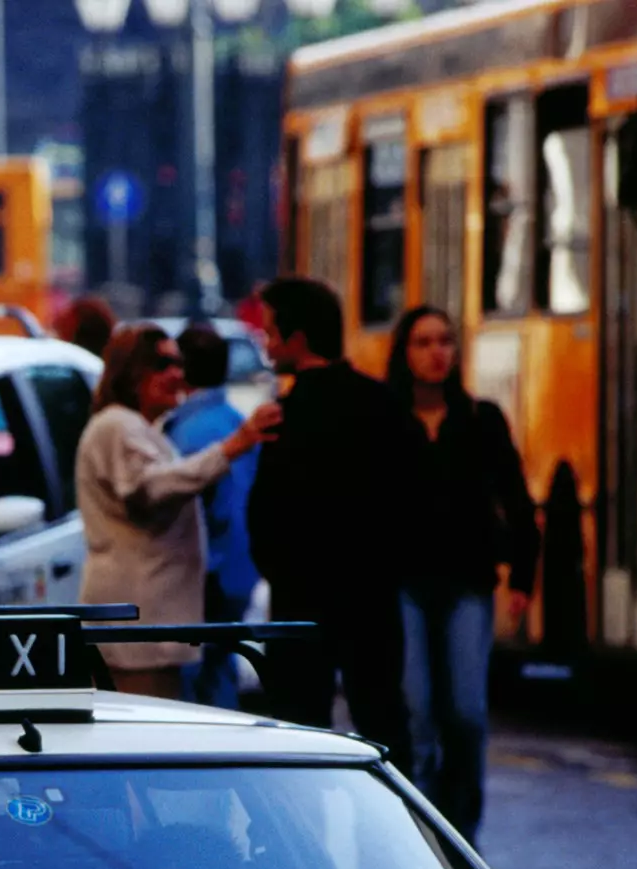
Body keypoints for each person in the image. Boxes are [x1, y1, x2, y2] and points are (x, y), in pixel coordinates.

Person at [247, 276, 415, 766]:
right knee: (384, 726)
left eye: (272, 333)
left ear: (298, 341)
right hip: (372, 599)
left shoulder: (285, 415)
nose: (267, 344)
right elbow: (406, 499)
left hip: (301, 603)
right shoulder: (382, 404)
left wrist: (280, 571)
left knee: (298, 737)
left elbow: (266, 512)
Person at [387, 304, 538, 842]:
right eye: (424, 342)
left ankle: (465, 839)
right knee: (419, 715)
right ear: (405, 353)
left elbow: (516, 501)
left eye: (445, 341)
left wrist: (522, 575)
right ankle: (423, 842)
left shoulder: (481, 419)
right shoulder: (386, 419)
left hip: (467, 585)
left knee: (468, 715)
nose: (437, 353)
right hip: (401, 585)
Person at [76, 324, 275, 699]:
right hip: (138, 633)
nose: (177, 375)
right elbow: (148, 488)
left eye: (179, 364)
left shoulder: (140, 427)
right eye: (162, 363)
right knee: (143, 747)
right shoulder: (118, 425)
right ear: (131, 370)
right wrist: (233, 446)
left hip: (149, 629)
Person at [164, 321, 261, 709]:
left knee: (192, 691)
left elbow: (203, 510)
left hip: (208, 577)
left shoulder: (188, 432)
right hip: (240, 572)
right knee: (222, 674)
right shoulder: (236, 420)